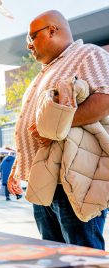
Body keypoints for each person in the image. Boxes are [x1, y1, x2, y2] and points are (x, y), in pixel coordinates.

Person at [8, 10, 109, 250]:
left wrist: (51, 127)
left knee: (82, 259)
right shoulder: (48, 71)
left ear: (52, 30)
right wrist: (18, 163)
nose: (29, 46)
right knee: (54, 257)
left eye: (31, 38)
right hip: (43, 179)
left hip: (72, 181)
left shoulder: (88, 54)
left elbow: (105, 99)